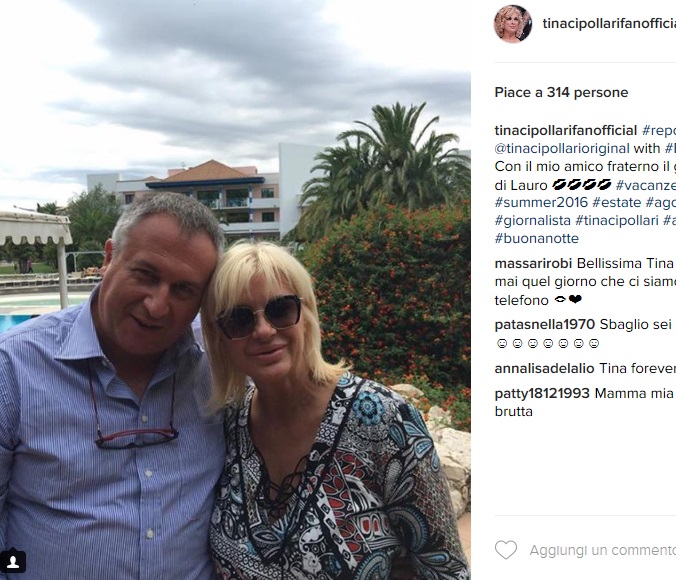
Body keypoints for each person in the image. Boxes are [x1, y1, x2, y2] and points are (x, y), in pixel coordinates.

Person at [201, 241, 469, 579]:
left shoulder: (384, 421)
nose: (264, 331)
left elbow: (446, 569)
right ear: (220, 337)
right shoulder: (230, 423)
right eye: (239, 320)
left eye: (280, 310)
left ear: (307, 315)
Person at [0, 192, 226, 579]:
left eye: (183, 290)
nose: (157, 306)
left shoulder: (220, 365)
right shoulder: (14, 367)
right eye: (146, 275)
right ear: (108, 258)